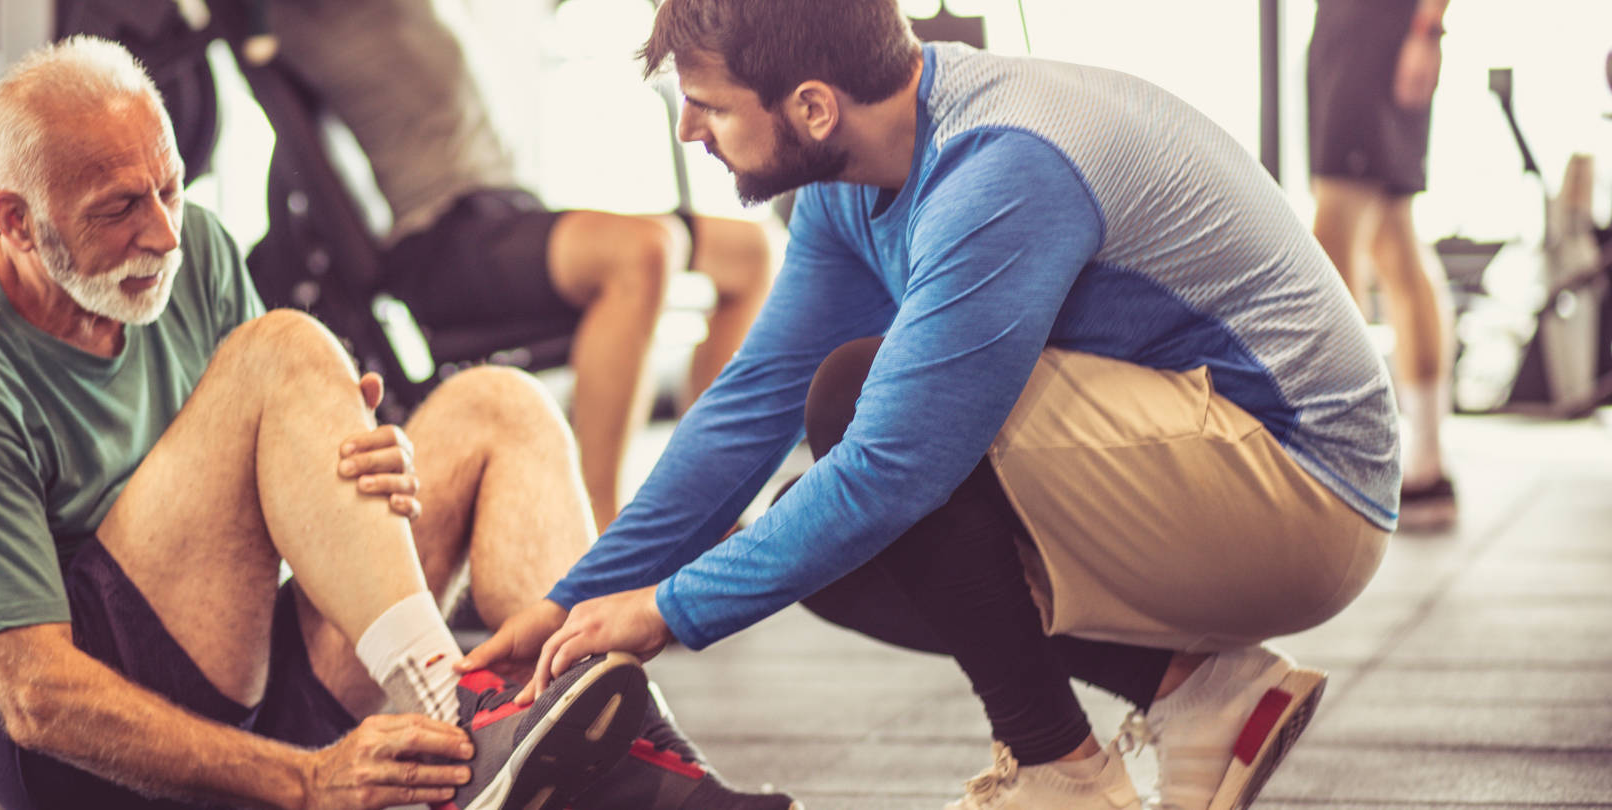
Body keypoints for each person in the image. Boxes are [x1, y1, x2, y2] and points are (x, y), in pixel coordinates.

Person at [460, 2, 1398, 809]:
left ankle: (1061, 774)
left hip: (1310, 494)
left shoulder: (1001, 170)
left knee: (861, 423)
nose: (689, 131)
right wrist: (570, 602)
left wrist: (665, 611)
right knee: (811, 540)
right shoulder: (855, 175)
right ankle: (1198, 693)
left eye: (706, 106)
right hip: (1203, 453)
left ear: (814, 108)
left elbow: (894, 468)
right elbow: (752, 402)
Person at [0, 36, 793, 810]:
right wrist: (306, 781)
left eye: (170, 187)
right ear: (19, 222)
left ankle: (631, 744)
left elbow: (261, 483)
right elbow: (34, 700)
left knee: (499, 409)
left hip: (240, 664)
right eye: (119, 209)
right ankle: (457, 703)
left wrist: (360, 468)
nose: (163, 232)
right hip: (83, 760)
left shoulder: (188, 258)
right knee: (281, 349)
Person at [263, 0, 783, 528]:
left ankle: (702, 501)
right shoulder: (310, 16)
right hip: (443, 238)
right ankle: (593, 524)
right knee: (646, 250)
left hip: (507, 211)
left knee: (748, 251)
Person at [1308, 0, 1456, 529]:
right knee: (1393, 245)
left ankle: (1344, 453)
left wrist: (1426, 29)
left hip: (1379, 39)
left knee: (1333, 241)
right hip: (1347, 33)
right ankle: (1426, 464)